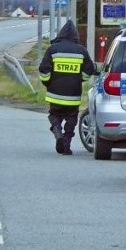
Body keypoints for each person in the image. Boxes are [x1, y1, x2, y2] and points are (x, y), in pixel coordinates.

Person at [38, 20, 96, 155]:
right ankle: (66, 144)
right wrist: (79, 79)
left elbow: (44, 70)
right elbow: (89, 70)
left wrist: (48, 83)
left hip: (55, 93)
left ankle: (57, 132)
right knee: (71, 118)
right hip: (73, 94)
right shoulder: (81, 51)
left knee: (54, 115)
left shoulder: (53, 49)